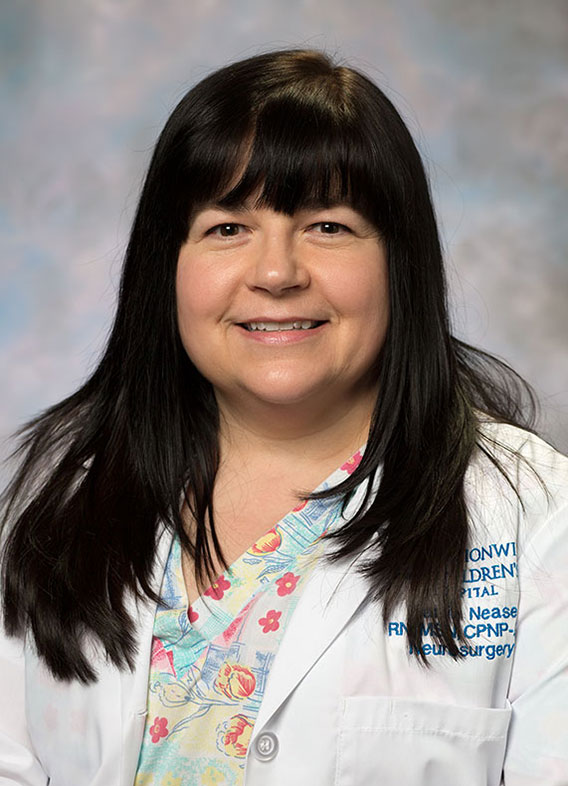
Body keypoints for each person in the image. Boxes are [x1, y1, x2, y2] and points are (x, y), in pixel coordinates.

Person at [1, 48, 567, 786]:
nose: (276, 273)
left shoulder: (534, 518)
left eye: (327, 226)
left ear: (400, 262)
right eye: (226, 228)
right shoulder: (66, 504)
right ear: (165, 266)